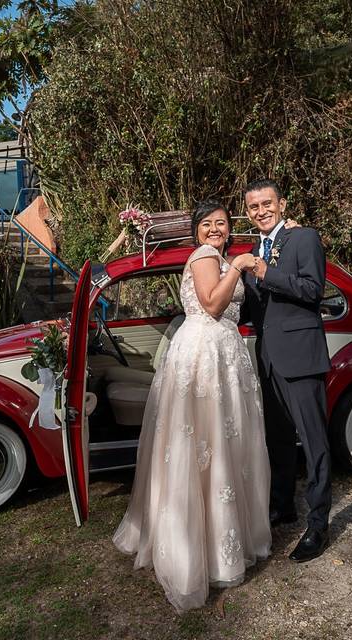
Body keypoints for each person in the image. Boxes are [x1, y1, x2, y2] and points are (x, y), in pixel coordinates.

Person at [113, 200, 272, 612]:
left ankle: (214, 539)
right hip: (206, 355)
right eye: (208, 224)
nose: (215, 229)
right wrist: (237, 266)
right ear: (196, 231)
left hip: (219, 351)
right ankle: (200, 550)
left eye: (221, 223)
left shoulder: (215, 256)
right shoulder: (206, 256)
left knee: (218, 442)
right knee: (209, 442)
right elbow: (213, 304)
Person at [241, 178, 332, 563]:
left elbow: (313, 290)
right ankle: (283, 505)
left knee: (314, 444)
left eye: (267, 204)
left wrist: (264, 271)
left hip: (301, 355)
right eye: (253, 207)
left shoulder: (303, 238)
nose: (260, 211)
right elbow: (251, 309)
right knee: (277, 440)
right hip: (269, 359)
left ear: (282, 204)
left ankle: (318, 525)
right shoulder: (250, 251)